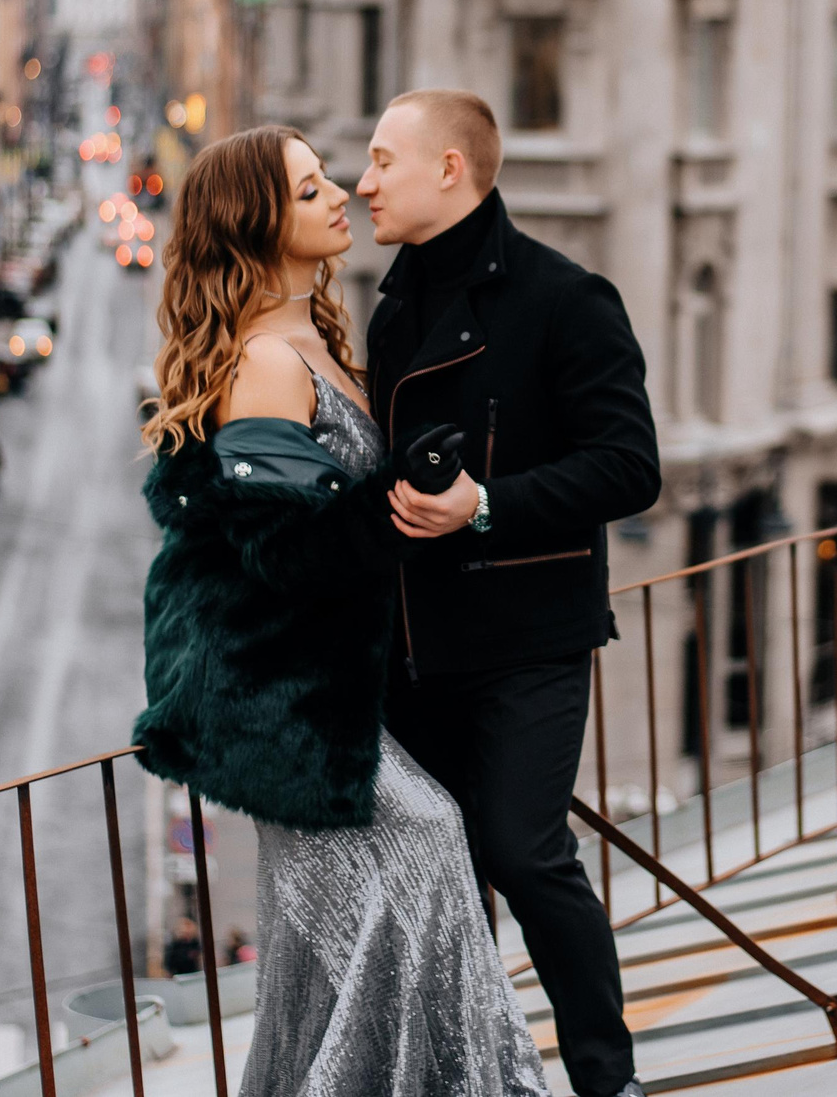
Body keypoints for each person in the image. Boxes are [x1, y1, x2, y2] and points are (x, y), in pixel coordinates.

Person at [134, 125, 545, 1097]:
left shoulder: (317, 331)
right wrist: (400, 484)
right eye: (310, 186)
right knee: (428, 836)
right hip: (286, 706)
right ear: (257, 221)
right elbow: (279, 550)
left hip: (331, 693)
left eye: (330, 179)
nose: (340, 195)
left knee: (334, 952)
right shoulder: (268, 363)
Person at [355, 90, 659, 1097]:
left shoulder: (567, 296)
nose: (364, 183)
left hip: (530, 633)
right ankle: (480, 1072)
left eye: (382, 160)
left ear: (451, 167)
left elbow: (628, 466)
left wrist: (483, 507)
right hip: (419, 644)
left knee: (526, 854)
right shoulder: (394, 306)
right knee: (445, 881)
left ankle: (607, 1080)